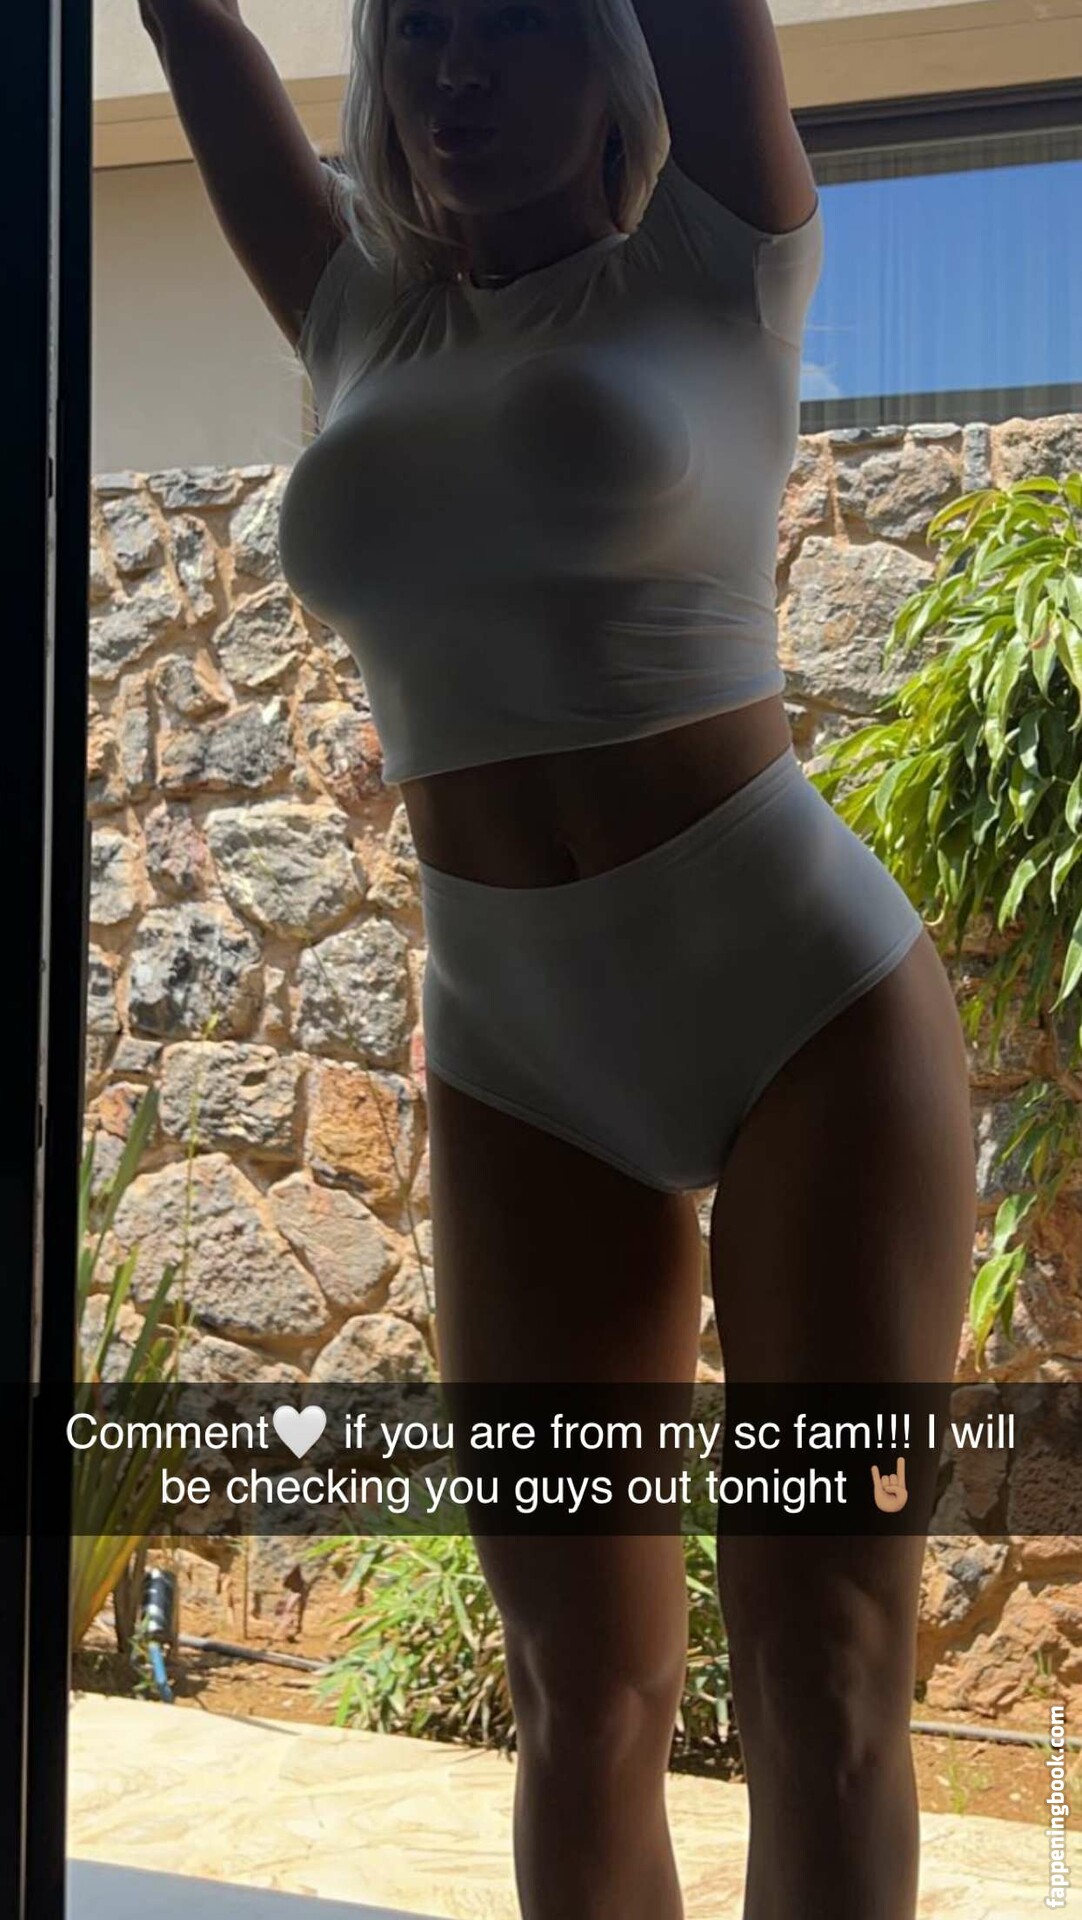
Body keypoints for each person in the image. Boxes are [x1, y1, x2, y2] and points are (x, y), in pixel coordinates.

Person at [140, 3, 979, 1915]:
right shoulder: (360, 313)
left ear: (608, 58)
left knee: (822, 1666)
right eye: (417, 32)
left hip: (800, 1005)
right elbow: (195, 26)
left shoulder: (719, 248)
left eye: (507, 24)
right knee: (574, 1691)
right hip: (514, 1038)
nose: (452, 70)